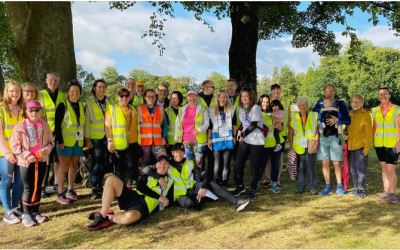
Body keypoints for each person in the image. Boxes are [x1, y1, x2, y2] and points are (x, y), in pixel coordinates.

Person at [143, 143, 251, 212]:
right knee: (191, 204)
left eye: (181, 152)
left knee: (210, 183)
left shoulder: (190, 162)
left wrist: (203, 186)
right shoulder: (167, 164)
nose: (179, 155)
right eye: (176, 152)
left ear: (184, 153)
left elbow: (205, 174)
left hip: (193, 188)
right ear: (172, 153)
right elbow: (146, 169)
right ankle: (199, 201)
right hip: (179, 194)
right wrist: (158, 177)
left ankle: (237, 202)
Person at [85, 155, 174, 231]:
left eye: (165, 163)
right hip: (132, 196)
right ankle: (103, 214)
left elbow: (170, 199)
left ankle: (108, 217)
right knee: (110, 179)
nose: (162, 165)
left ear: (169, 166)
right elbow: (140, 187)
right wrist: (159, 197)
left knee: (128, 219)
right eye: (160, 163)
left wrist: (166, 202)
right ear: (157, 164)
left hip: (143, 206)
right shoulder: (148, 174)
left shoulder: (170, 182)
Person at [10, 101, 54, 227]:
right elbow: (15, 145)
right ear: (26, 112)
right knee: (28, 187)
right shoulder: (21, 126)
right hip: (26, 162)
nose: (34, 113)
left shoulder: (45, 125)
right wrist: (26, 154)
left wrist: (46, 150)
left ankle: (35, 211)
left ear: (40, 111)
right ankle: (26, 213)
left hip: (41, 161)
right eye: (31, 110)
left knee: (38, 186)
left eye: (36, 110)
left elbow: (51, 142)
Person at [312, 84, 351, 196]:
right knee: (325, 162)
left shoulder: (340, 104)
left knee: (336, 162)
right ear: (324, 92)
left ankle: (339, 186)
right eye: (327, 91)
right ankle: (327, 186)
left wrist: (338, 119)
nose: (329, 93)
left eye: (331, 91)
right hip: (323, 138)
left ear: (334, 92)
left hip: (335, 137)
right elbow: (313, 117)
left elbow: (348, 120)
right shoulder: (319, 104)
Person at [54, 81, 85, 204]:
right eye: (72, 91)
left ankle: (70, 190)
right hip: (65, 143)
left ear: (80, 93)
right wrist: (60, 141)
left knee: (74, 167)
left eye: (77, 91)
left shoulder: (82, 106)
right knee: (64, 169)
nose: (74, 93)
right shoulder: (63, 105)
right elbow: (57, 125)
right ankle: (60, 193)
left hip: (78, 143)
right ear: (68, 92)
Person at [232, 88, 265, 200]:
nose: (244, 98)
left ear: (251, 97)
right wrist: (239, 131)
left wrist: (242, 134)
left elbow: (253, 125)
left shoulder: (255, 108)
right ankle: (240, 186)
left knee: (254, 166)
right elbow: (244, 124)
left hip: (256, 140)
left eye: (246, 96)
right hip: (246, 139)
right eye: (242, 96)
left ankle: (253, 189)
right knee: (238, 163)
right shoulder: (241, 109)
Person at [105, 88, 140, 189]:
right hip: (118, 144)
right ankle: (118, 189)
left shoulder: (133, 108)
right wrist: (109, 140)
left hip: (133, 142)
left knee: (131, 166)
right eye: (122, 96)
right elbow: (107, 126)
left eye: (126, 95)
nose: (124, 97)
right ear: (117, 97)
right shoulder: (112, 109)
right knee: (119, 168)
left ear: (129, 97)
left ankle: (130, 188)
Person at [0, 81, 24, 224]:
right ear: (6, 92)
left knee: (19, 182)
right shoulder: (1, 109)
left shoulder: (22, 109)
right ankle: (7, 211)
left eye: (17, 91)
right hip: (5, 153)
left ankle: (15, 207)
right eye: (11, 91)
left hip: (20, 152)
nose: (15, 94)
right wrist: (8, 154)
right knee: (6, 181)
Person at [85, 79, 114, 199]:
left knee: (104, 162)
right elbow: (86, 121)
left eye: (103, 87)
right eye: (99, 87)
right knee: (96, 163)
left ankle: (100, 186)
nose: (101, 89)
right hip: (95, 137)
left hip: (107, 137)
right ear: (94, 88)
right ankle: (94, 187)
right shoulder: (89, 101)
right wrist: (87, 138)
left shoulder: (110, 101)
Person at [39, 73, 66, 196]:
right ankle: (42, 187)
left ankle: (56, 184)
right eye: (51, 80)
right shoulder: (40, 95)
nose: (53, 82)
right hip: (45, 132)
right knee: (45, 160)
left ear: (58, 82)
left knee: (58, 160)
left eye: (55, 80)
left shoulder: (62, 95)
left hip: (59, 132)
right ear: (46, 81)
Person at [372, 87, 400, 204]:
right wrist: (373, 141)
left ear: (389, 95)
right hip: (379, 144)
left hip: (393, 144)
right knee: (384, 169)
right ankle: (386, 191)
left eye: (385, 94)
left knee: (390, 170)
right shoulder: (374, 110)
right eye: (380, 94)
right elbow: (374, 127)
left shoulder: (397, 109)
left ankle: (393, 194)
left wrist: (399, 141)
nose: (383, 96)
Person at [21, 82, 49, 198]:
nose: (30, 93)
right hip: (21, 150)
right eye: (27, 91)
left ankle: (32, 205)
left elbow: (45, 127)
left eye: (32, 91)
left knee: (34, 181)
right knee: (21, 182)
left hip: (37, 151)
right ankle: (21, 206)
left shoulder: (40, 108)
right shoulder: (18, 107)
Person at [174, 90, 209, 181]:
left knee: (198, 164)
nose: (192, 98)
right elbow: (177, 124)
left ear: (197, 97)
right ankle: (187, 182)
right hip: (186, 141)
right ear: (187, 97)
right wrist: (177, 138)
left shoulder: (203, 108)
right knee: (187, 163)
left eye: (194, 96)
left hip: (199, 141)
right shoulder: (182, 109)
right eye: (190, 96)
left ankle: (198, 184)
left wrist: (199, 130)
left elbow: (207, 123)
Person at [343, 94, 372, 199]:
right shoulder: (349, 113)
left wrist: (367, 148)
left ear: (362, 103)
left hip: (361, 147)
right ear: (350, 103)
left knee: (361, 169)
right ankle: (356, 188)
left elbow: (369, 133)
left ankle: (362, 190)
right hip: (350, 146)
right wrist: (344, 134)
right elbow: (346, 128)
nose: (355, 104)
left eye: (358, 102)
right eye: (353, 102)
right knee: (353, 170)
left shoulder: (366, 115)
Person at [289, 97, 319, 195]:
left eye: (305, 104)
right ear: (298, 106)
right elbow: (291, 132)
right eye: (301, 104)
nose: (303, 106)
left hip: (311, 145)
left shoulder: (314, 115)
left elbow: (317, 131)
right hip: (299, 146)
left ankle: (312, 187)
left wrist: (316, 143)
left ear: (307, 105)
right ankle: (301, 186)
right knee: (300, 167)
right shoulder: (294, 117)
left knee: (311, 167)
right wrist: (291, 146)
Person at [207, 89, 237, 188]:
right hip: (216, 140)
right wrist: (209, 138)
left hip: (228, 139)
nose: (225, 99)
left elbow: (234, 124)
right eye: (223, 97)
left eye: (226, 97)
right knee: (217, 164)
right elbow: (210, 126)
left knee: (226, 163)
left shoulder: (232, 109)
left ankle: (224, 183)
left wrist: (233, 136)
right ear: (218, 98)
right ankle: (216, 183)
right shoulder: (211, 111)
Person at [257, 94, 283, 193]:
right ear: (260, 102)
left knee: (275, 164)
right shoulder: (257, 113)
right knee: (262, 165)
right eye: (263, 102)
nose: (265, 104)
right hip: (264, 144)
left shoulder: (271, 112)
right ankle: (255, 184)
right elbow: (261, 128)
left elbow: (278, 126)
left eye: (267, 102)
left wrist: (279, 127)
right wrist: (275, 126)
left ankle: (275, 184)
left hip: (274, 143)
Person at [137, 89, 168, 170]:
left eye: (153, 96)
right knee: (143, 164)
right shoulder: (138, 109)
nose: (151, 98)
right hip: (144, 142)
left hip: (158, 141)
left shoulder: (161, 109)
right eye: (148, 96)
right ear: (145, 97)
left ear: (156, 97)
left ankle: (161, 179)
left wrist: (164, 137)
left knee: (163, 160)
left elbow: (164, 125)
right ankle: (144, 180)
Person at [270, 83, 291, 189]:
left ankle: (277, 179)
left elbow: (289, 118)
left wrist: (288, 132)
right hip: (270, 133)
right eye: (274, 90)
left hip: (282, 134)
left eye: (278, 90)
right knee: (269, 157)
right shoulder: (267, 102)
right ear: (271, 92)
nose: (276, 92)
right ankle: (268, 178)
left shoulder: (286, 103)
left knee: (280, 157)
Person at [199, 80, 216, 180]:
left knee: (212, 158)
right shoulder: (196, 98)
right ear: (205, 87)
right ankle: (201, 179)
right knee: (200, 159)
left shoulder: (215, 99)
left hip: (213, 132)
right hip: (200, 133)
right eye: (212, 87)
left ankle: (210, 179)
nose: (214, 89)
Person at [165, 91, 183, 156]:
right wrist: (166, 140)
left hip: (182, 141)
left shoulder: (185, 110)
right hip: (170, 142)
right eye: (172, 98)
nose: (173, 100)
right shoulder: (166, 111)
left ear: (180, 99)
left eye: (175, 98)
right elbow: (164, 127)